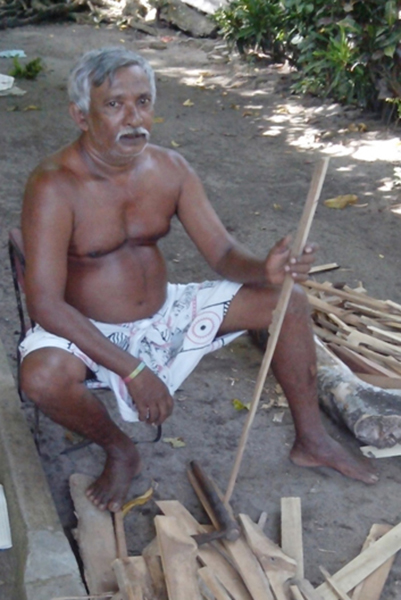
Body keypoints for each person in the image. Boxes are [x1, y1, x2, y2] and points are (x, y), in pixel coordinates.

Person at [19, 47, 377, 513]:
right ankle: (119, 450)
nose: (134, 118)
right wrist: (133, 370)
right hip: (88, 328)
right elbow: (46, 304)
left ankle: (312, 440)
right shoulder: (53, 185)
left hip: (167, 313)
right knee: (41, 377)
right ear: (81, 116)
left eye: (143, 102)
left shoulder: (170, 169)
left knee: (287, 300)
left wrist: (264, 270)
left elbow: (224, 254)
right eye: (114, 105)